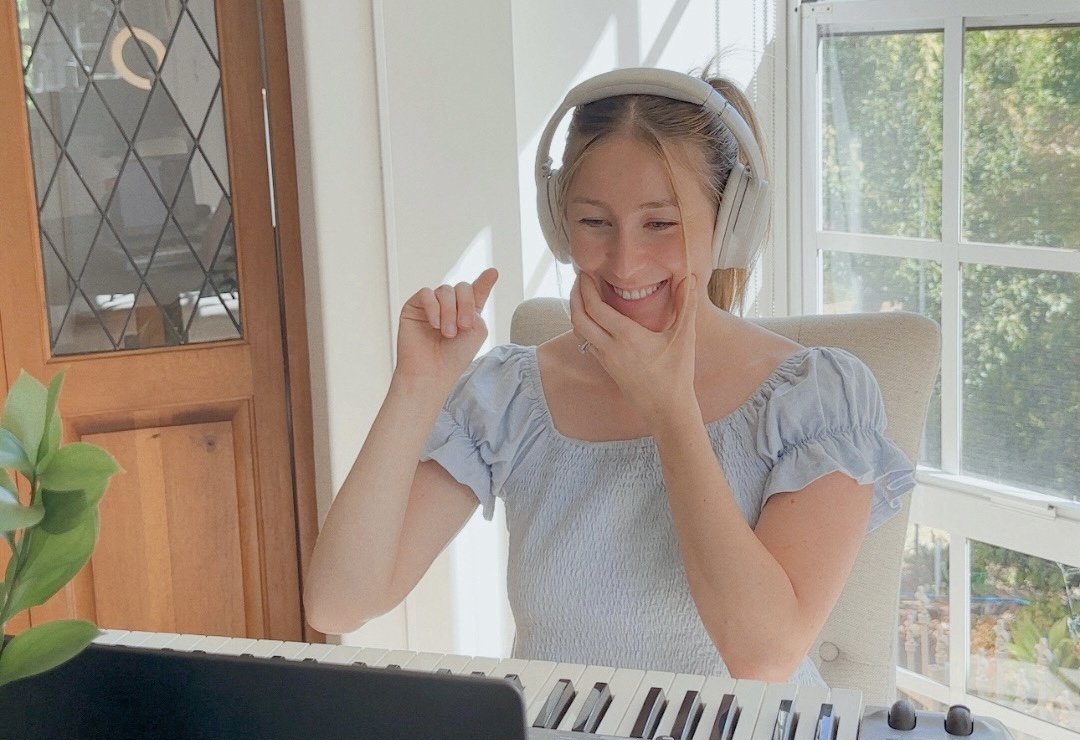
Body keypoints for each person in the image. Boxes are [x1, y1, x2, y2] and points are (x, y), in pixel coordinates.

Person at [304, 67, 915, 685]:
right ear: (559, 224)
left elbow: (762, 657)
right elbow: (339, 602)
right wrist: (417, 387)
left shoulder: (817, 399)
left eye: (661, 223)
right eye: (594, 222)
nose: (625, 262)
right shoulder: (513, 396)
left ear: (730, 224)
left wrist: (670, 410)